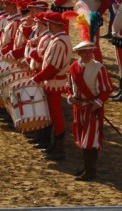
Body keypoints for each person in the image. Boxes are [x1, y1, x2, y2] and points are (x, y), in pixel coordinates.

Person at [66, 41, 113, 181]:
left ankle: (90, 172)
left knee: (90, 140)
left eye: (90, 52)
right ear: (79, 53)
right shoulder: (73, 67)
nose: (88, 55)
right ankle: (87, 167)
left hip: (92, 109)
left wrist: (96, 104)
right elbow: (69, 86)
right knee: (82, 138)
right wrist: (70, 97)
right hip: (78, 108)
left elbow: (106, 89)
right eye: (84, 52)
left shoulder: (99, 68)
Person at [31, 12, 73, 161]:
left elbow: (52, 68)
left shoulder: (59, 42)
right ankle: (53, 144)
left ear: (56, 25)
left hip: (54, 82)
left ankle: (59, 147)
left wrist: (37, 78)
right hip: (52, 81)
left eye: (50, 23)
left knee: (56, 116)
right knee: (52, 114)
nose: (47, 25)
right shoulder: (59, 40)